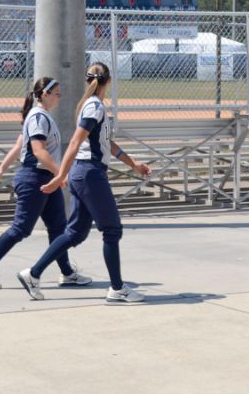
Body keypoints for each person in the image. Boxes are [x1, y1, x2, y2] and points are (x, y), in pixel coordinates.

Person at [17, 62, 151, 303]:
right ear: (109, 81)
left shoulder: (94, 107)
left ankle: (33, 273)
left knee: (76, 232)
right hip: (89, 174)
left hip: (86, 173)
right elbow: (76, 142)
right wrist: (60, 175)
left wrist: (134, 165)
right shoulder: (93, 107)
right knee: (112, 229)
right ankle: (117, 288)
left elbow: (108, 144)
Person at [0, 77, 91, 290]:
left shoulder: (40, 117)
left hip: (45, 178)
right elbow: (38, 151)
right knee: (21, 228)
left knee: (58, 227)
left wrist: (2, 167)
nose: (59, 97)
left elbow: (20, 145)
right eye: (57, 94)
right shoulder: (38, 117)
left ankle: (66, 273)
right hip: (34, 178)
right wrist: (61, 174)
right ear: (45, 94)